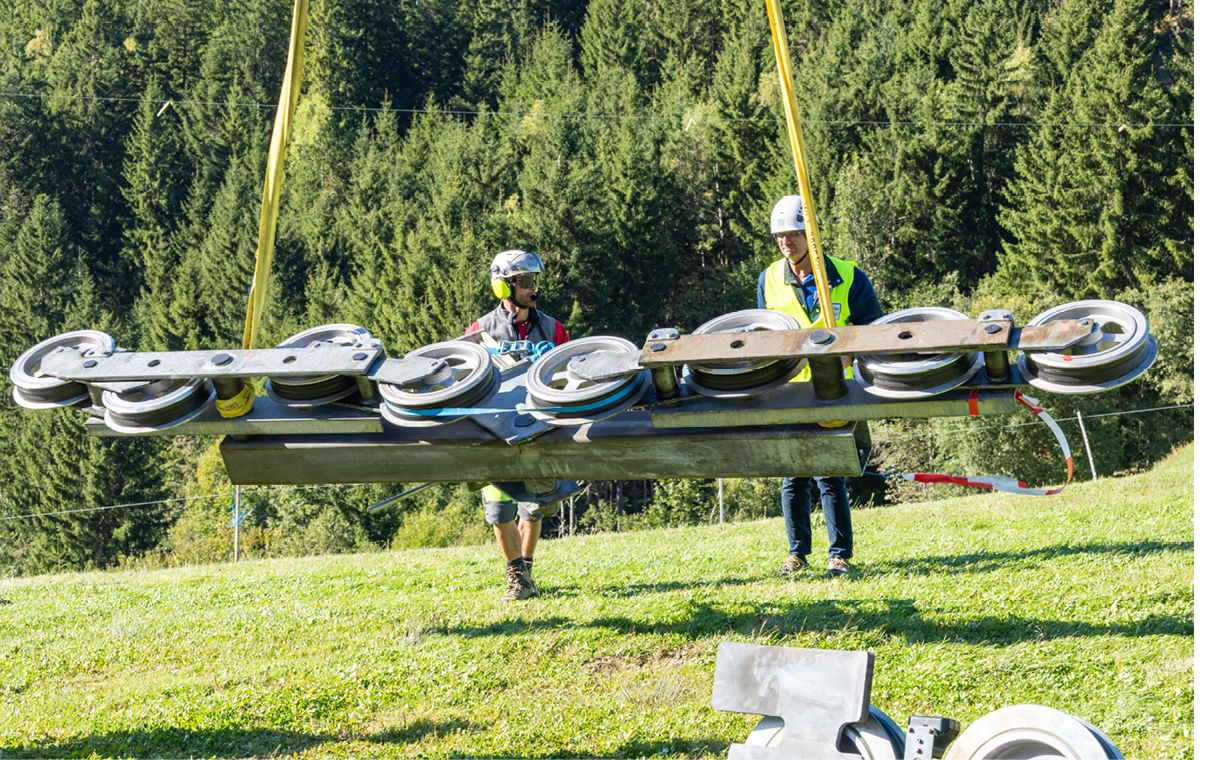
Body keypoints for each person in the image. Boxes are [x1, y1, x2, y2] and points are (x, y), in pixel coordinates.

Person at [757, 195, 883, 578]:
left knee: (830, 473)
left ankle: (839, 554)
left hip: (834, 388)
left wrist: (846, 357)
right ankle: (797, 553)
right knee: (791, 474)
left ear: (809, 234)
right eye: (780, 236)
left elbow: (873, 331)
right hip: (788, 390)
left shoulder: (847, 276)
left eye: (792, 235)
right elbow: (764, 334)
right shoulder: (769, 279)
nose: (785, 243)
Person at [464, 249, 570, 601]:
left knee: (535, 505)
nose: (533, 288)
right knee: (499, 509)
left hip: (541, 426)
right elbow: (466, 377)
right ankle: (516, 575)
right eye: (525, 282)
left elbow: (570, 371)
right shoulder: (480, 331)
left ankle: (526, 568)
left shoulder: (553, 328)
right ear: (503, 288)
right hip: (496, 430)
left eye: (534, 281)